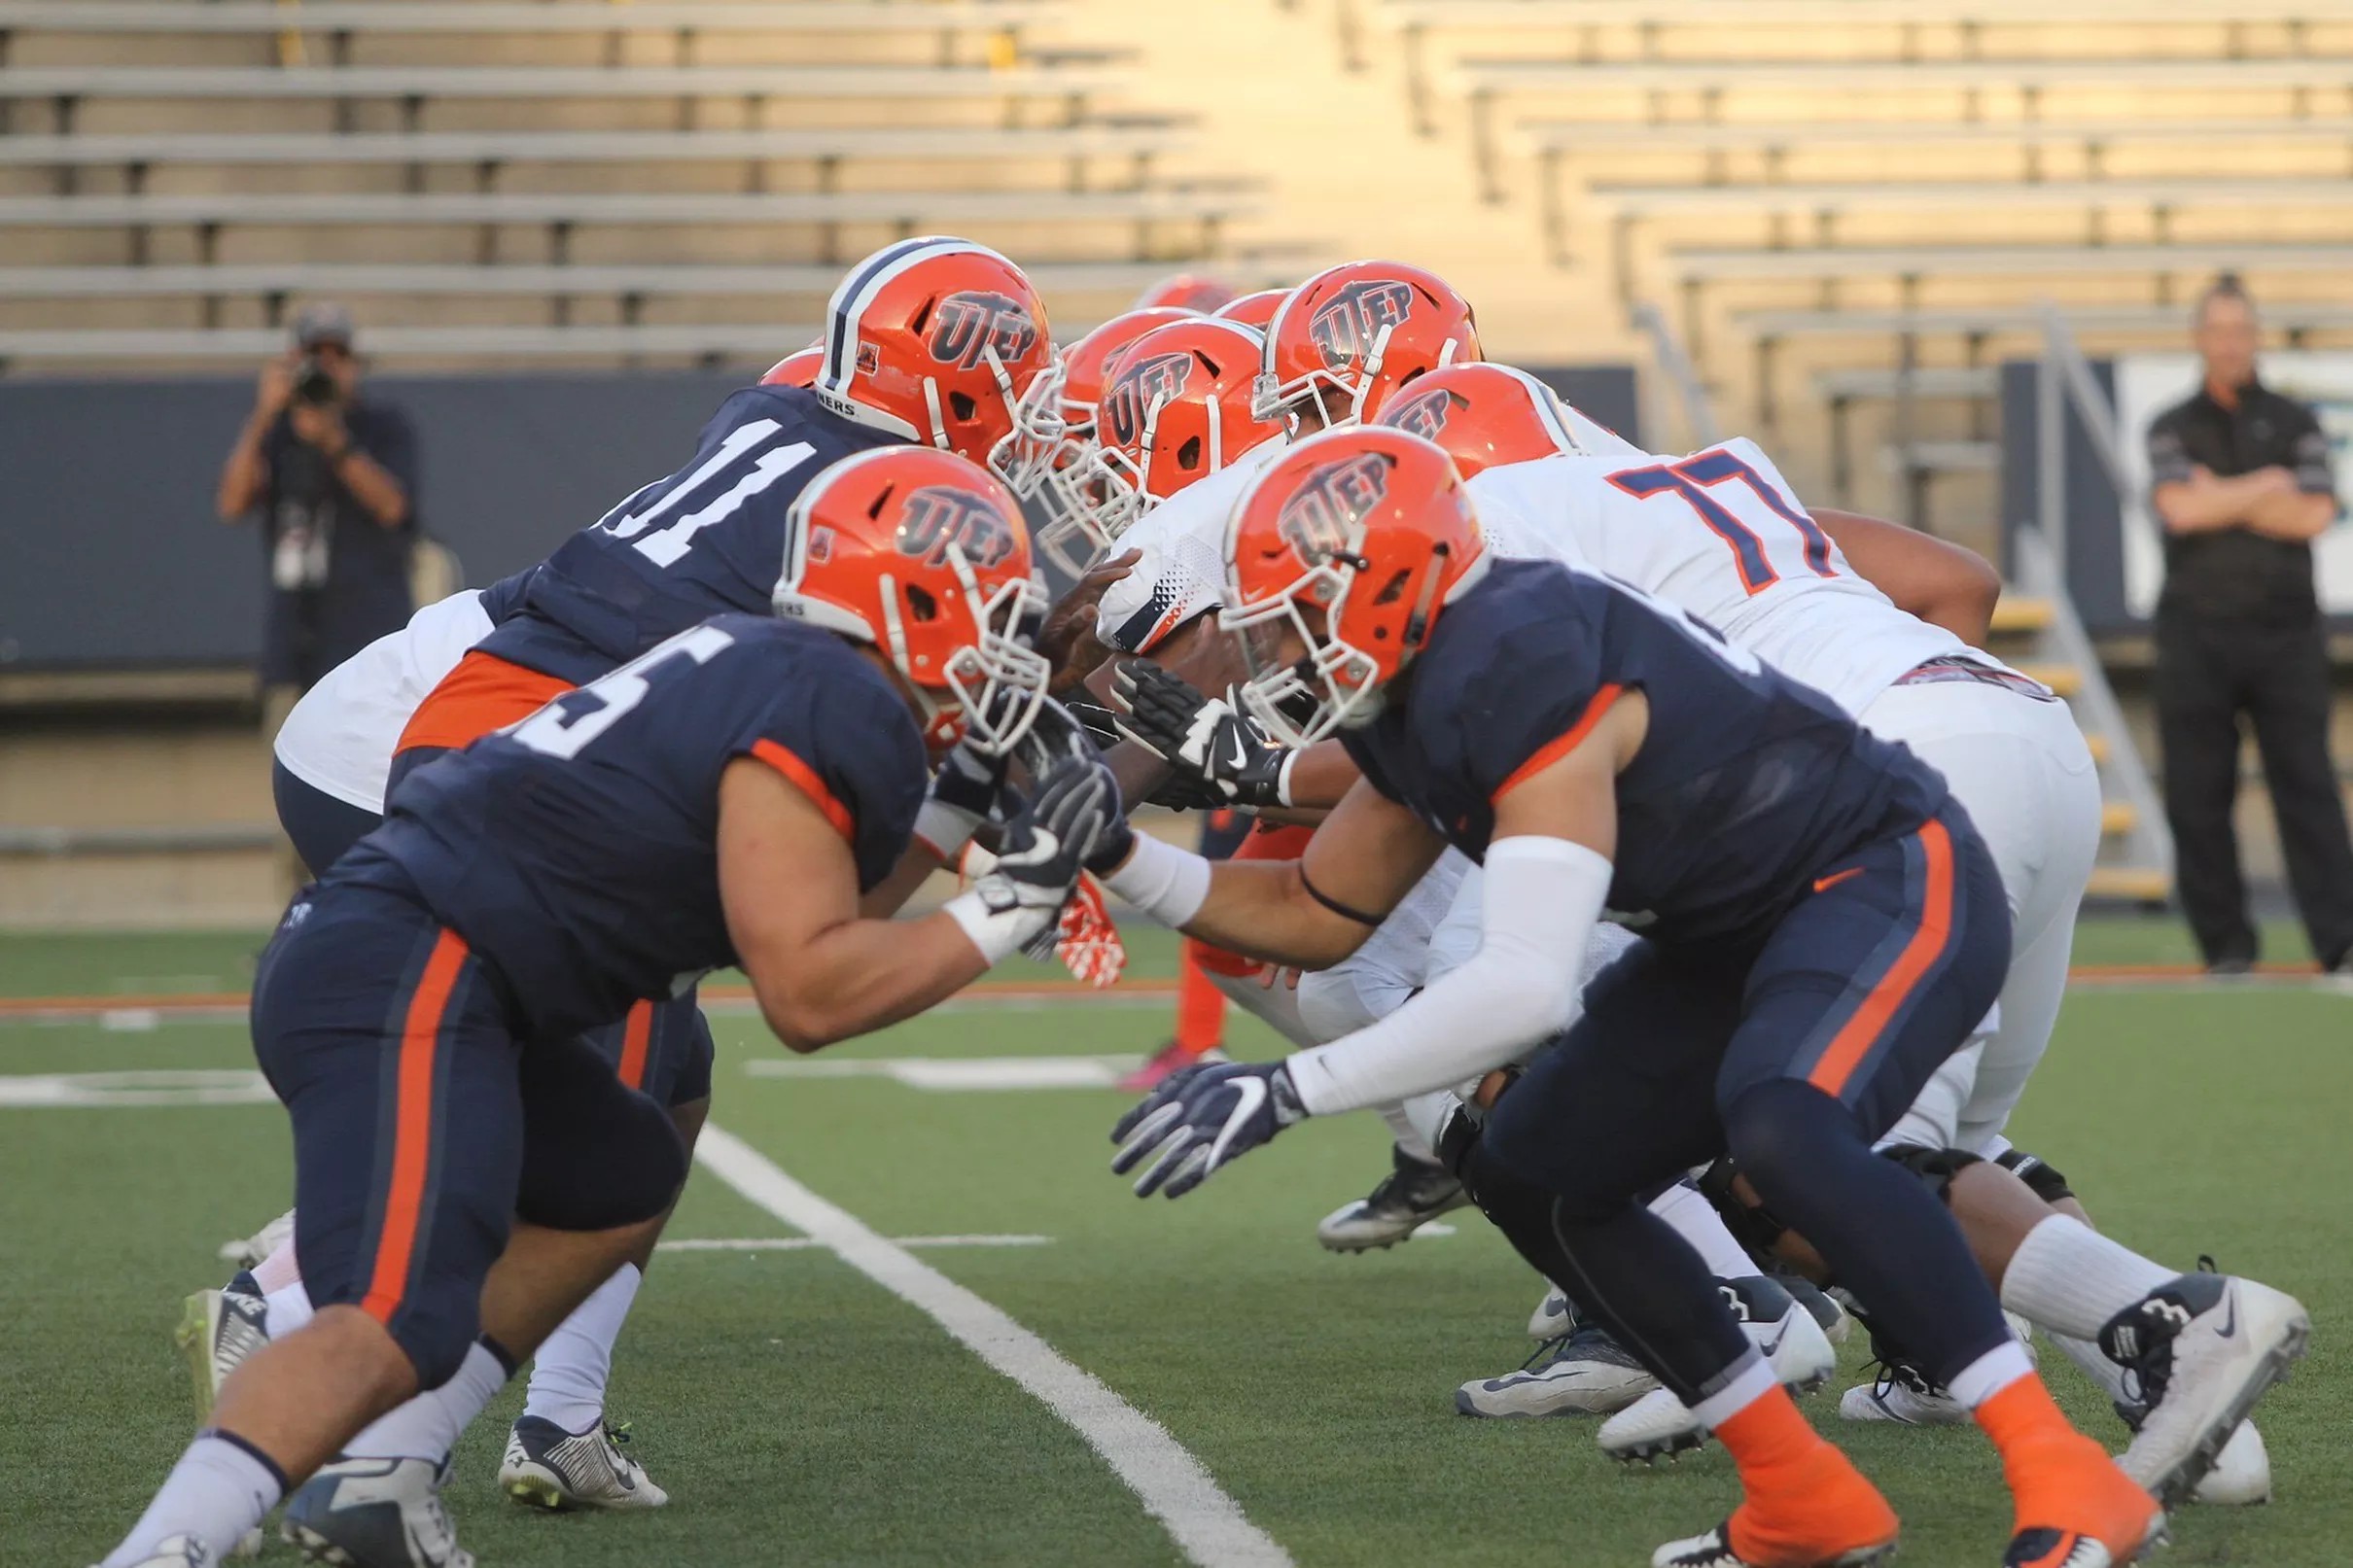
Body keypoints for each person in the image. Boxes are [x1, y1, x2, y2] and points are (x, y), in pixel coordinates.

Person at [1096, 426, 2188, 1568]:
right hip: (1729, 924)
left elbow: (1519, 983)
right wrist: (1119, 853)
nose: (1274, 645)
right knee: (1532, 1158)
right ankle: (1799, 1496)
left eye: (1294, 610)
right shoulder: (1424, 683)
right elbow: (1320, 909)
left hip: (1880, 872)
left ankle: (2061, 1470)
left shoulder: (1516, 650)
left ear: (1382, 586)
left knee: (1785, 1127)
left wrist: (1286, 1089)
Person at [91, 449, 1119, 1568]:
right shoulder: (826, 696)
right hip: (414, 962)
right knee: (390, 1314)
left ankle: (379, 1480)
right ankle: (162, 1548)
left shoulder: (791, 668)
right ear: (912, 597)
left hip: (434, 957)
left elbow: (835, 909)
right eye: (993, 604)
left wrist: (964, 792)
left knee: (619, 1176)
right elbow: (809, 992)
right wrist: (1015, 899)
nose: (1005, 640)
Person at [2147, 272, 2353, 975]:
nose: (2230, 344)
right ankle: (2227, 950)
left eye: (2241, 331)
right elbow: (2180, 509)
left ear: (2255, 337)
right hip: (2195, 633)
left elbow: (2314, 513)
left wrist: (2223, 495)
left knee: (2309, 787)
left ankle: (2340, 941)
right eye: (2219, 331)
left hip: (2286, 632)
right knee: (2198, 795)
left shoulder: (2296, 421)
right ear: (2199, 339)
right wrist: (2266, 487)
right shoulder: (2172, 424)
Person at [217, 303, 420, 712]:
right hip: (293, 638)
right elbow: (232, 504)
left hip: (370, 637)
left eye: (338, 356)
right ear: (295, 362)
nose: (328, 367)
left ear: (355, 364)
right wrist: (262, 415)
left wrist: (332, 439)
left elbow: (393, 507)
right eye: (316, 356)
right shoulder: (278, 431)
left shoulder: (383, 425)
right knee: (289, 763)